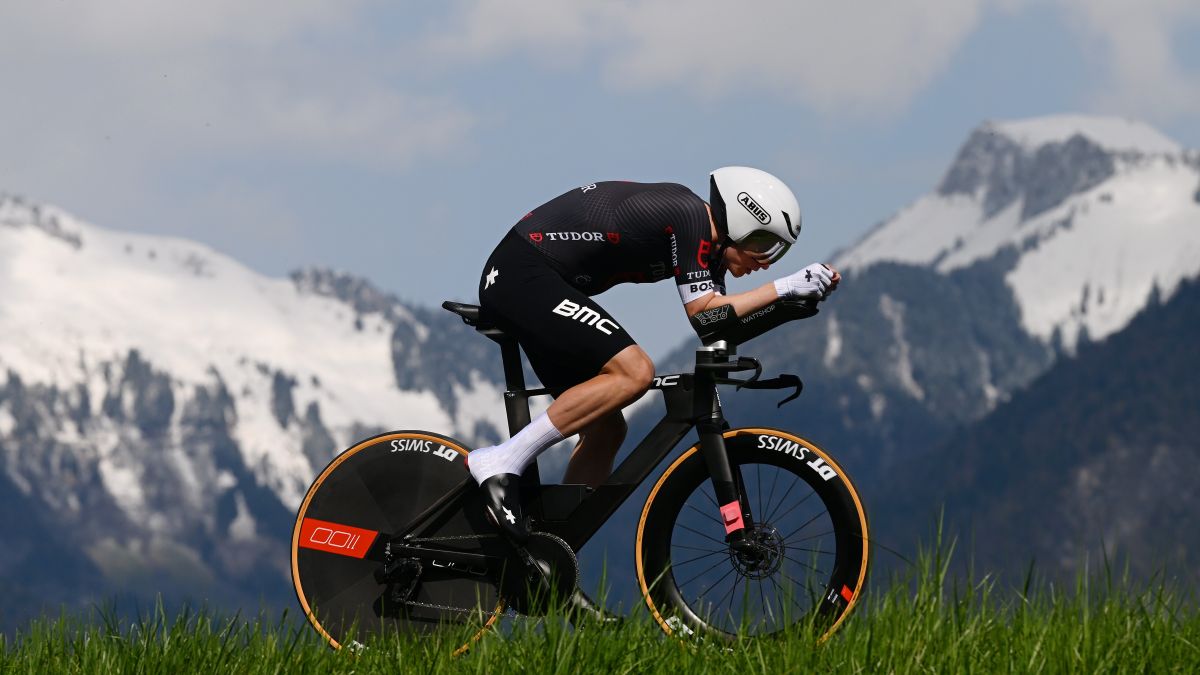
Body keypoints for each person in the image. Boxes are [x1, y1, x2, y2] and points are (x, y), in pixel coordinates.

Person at [467, 167, 840, 543]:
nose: (767, 261)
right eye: (765, 245)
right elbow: (704, 311)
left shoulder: (708, 249)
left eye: (779, 252)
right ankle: (501, 460)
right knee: (635, 372)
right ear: (742, 222)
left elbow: (716, 328)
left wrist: (791, 305)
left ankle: (551, 554)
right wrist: (783, 287)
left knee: (606, 430)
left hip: (540, 280)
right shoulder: (690, 216)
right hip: (522, 272)